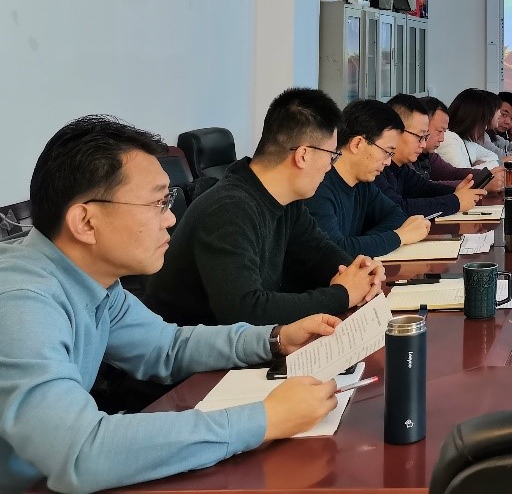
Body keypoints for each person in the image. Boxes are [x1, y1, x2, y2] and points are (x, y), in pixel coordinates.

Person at [0, 116, 342, 492]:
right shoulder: (20, 303)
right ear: (85, 222)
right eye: (157, 202)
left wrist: (274, 339)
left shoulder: (95, 282)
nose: (171, 218)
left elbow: (166, 347)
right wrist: (265, 420)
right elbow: (80, 451)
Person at [146, 88, 385, 327]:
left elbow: (317, 251)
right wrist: (342, 295)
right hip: (189, 348)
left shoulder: (285, 201)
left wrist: (361, 272)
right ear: (303, 155)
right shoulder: (229, 210)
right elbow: (245, 311)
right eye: (332, 156)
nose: (330, 167)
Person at [304, 99, 433, 258]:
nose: (388, 162)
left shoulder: (362, 183)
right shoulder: (318, 187)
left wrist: (360, 244)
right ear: (357, 144)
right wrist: (398, 237)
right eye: (387, 152)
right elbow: (335, 251)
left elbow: (396, 215)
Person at [378, 94, 486, 217]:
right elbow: (398, 208)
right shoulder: (376, 168)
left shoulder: (400, 168)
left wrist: (458, 192)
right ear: (395, 131)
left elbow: (423, 188)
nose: (423, 144)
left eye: (425, 137)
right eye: (420, 137)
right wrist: (455, 201)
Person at [412, 96, 504, 191]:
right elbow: (424, 188)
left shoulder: (428, 155)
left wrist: (486, 175)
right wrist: (481, 183)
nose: (442, 139)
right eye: (439, 131)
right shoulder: (408, 159)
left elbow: (452, 173)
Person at [434, 88, 504, 169]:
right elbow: (463, 174)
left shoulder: (468, 142)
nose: (499, 114)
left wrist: (481, 164)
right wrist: (487, 165)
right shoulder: (449, 139)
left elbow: (494, 157)